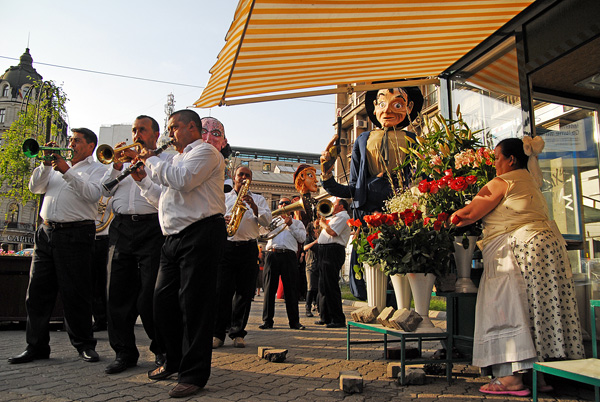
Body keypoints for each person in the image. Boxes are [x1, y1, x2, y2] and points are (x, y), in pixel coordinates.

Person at [451, 137, 585, 396]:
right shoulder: (531, 180)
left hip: (519, 249)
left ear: (511, 159)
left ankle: (510, 379)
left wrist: (446, 217)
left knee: (507, 307)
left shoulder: (503, 181)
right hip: (549, 247)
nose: (495, 164)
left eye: (497, 158)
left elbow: (469, 214)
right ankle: (541, 375)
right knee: (539, 308)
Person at [134, 109, 226, 398]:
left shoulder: (207, 153)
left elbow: (183, 180)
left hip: (200, 233)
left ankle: (194, 374)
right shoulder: (175, 159)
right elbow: (165, 198)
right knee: (161, 302)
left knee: (194, 306)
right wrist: (141, 180)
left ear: (191, 127)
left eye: (174, 127)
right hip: (173, 238)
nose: (170, 133)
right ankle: (173, 360)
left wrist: (149, 160)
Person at [9, 128, 105, 364]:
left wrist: (67, 170)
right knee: (37, 293)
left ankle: (84, 344)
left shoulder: (98, 169)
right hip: (46, 232)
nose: (71, 144)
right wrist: (45, 165)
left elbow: (93, 195)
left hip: (76, 233)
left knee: (76, 293)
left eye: (77, 141)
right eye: (70, 140)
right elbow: (35, 188)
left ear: (91, 145)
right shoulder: (54, 165)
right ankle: (36, 346)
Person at [320, 86, 423, 300]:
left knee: (399, 257)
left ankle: (399, 300)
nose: (388, 110)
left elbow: (421, 176)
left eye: (397, 104)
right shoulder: (363, 139)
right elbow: (354, 186)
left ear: (409, 107)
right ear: (374, 108)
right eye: (382, 103)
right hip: (367, 210)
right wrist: (327, 174)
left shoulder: (413, 140)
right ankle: (371, 298)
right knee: (367, 259)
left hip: (400, 208)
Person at [100, 115, 168, 374]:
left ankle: (162, 350)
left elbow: (163, 200)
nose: (136, 134)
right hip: (120, 229)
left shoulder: (163, 163)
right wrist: (117, 167)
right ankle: (124, 352)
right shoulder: (119, 162)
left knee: (151, 295)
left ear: (155, 135)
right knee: (115, 293)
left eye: (142, 130)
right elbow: (103, 191)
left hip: (152, 228)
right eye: (134, 130)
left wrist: (144, 170)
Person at [213, 166, 271, 349]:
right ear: (234, 177)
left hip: (248, 248)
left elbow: (267, 222)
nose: (244, 177)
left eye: (247, 175)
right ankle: (217, 333)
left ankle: (238, 332)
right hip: (227, 247)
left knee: (244, 293)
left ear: (251, 179)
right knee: (221, 292)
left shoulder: (259, 199)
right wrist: (221, 220)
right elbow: (212, 217)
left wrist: (253, 207)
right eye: (241, 175)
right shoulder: (223, 197)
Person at [259, 197, 306, 330]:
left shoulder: (297, 223)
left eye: (287, 203)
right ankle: (267, 321)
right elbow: (261, 233)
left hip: (289, 255)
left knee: (291, 290)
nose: (284, 205)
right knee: (269, 289)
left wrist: (290, 224)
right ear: (278, 207)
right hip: (272, 254)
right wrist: (267, 224)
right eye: (281, 203)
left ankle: (294, 322)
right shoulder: (272, 221)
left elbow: (302, 238)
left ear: (292, 207)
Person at [314, 198, 351, 328]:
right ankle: (325, 316)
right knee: (323, 286)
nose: (332, 206)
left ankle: (338, 319)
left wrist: (322, 223)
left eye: (334, 204)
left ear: (341, 206)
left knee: (331, 286)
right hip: (325, 250)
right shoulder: (335, 217)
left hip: (333, 251)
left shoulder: (343, 216)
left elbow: (333, 233)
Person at [91, 195, 113, 332]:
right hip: (92, 237)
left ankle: (111, 317)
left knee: (108, 281)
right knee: (94, 282)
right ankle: (99, 318)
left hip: (109, 238)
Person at [304, 220, 321, 317]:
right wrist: (315, 242)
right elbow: (305, 247)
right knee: (310, 288)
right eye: (315, 228)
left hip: (320, 265)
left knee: (319, 288)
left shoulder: (322, 236)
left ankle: (318, 307)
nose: (316, 230)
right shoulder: (309, 238)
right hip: (311, 266)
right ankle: (308, 308)